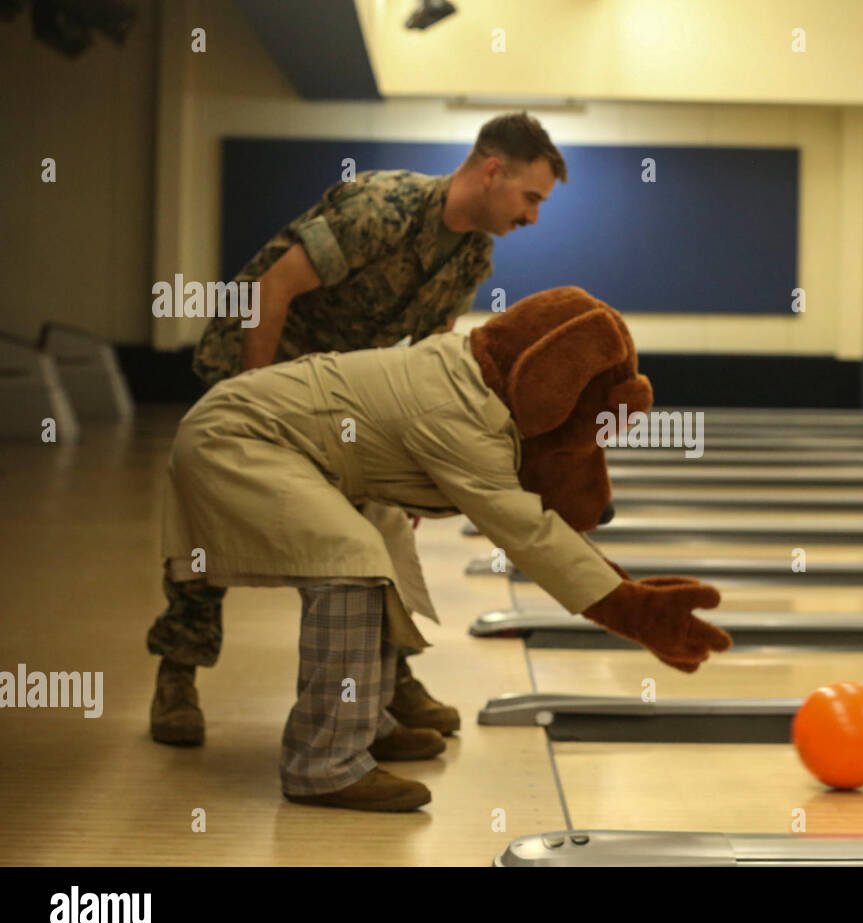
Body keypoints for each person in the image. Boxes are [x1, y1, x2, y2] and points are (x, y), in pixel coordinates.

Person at [159, 286, 731, 811]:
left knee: (385, 543)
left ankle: (365, 719)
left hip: (289, 444)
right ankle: (323, 762)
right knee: (352, 562)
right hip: (234, 438)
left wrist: (622, 588)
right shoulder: (456, 414)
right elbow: (525, 530)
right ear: (545, 386)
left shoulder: (473, 377)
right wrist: (628, 607)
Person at [148, 112, 566, 748]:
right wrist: (250, 395)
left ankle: (384, 683)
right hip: (254, 370)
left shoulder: (473, 255)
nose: (532, 217)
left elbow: (426, 360)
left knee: (376, 528)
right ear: (490, 171)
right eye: (530, 197)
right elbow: (272, 287)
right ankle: (176, 677)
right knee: (210, 532)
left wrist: (418, 467)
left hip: (337, 397)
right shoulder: (383, 206)